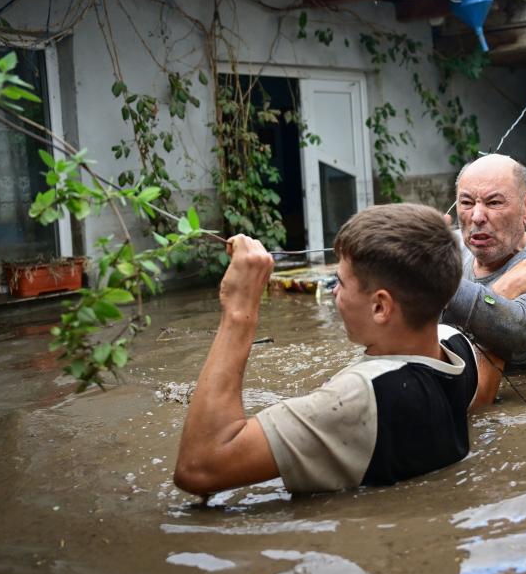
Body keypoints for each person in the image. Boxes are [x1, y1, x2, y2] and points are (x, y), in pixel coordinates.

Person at [173, 203, 501, 497]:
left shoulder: (361, 395)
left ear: (380, 307)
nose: (334, 294)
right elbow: (482, 393)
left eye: (340, 283)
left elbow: (199, 466)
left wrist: (239, 311)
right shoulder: (457, 347)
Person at [441, 154, 526, 370]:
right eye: (467, 203)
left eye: (494, 202)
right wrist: (504, 287)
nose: (477, 216)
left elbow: (515, 332)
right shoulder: (447, 247)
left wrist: (426, 282)